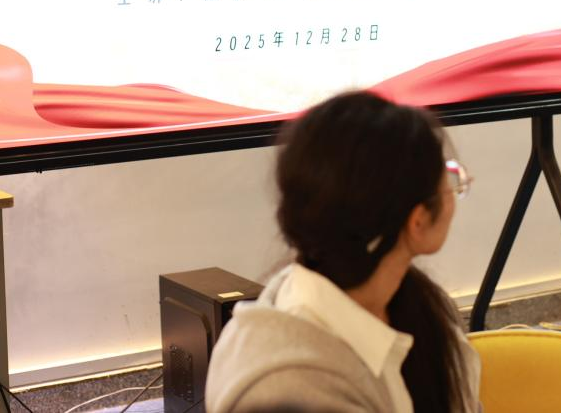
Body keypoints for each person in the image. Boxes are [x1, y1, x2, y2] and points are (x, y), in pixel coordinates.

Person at [204, 91, 481, 413]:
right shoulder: (289, 387)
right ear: (417, 221)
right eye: (450, 181)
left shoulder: (419, 305)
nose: (456, 187)